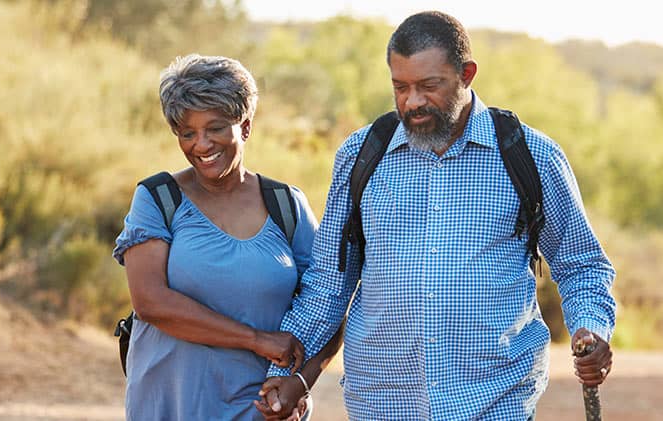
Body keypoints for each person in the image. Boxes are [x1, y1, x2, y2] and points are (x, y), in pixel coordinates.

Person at [259, 11, 617, 420]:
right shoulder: (361, 155)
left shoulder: (530, 155)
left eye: (429, 86)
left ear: (467, 74)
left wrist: (591, 328)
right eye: (400, 87)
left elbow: (582, 265)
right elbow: (328, 283)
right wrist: (289, 375)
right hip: (382, 399)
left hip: (494, 399)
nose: (412, 101)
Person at [114, 54, 331, 420]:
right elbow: (150, 301)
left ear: (245, 127)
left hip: (259, 410)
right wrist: (255, 339)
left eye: (214, 128)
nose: (201, 145)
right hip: (171, 406)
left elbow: (328, 302)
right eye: (187, 132)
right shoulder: (158, 198)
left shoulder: (285, 205)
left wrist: (301, 385)